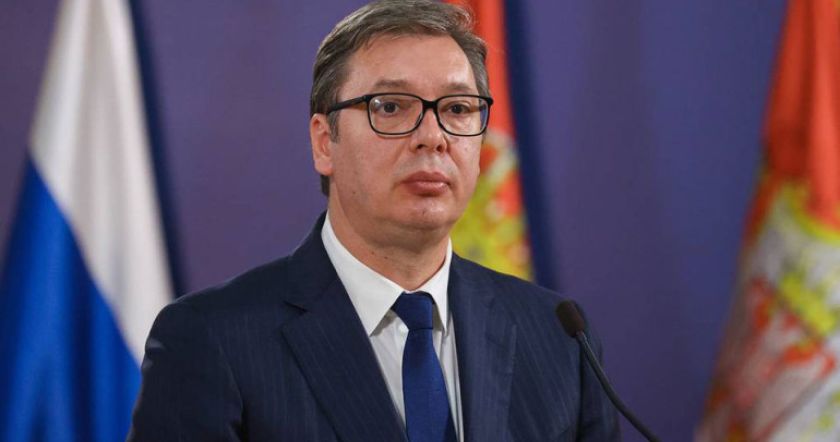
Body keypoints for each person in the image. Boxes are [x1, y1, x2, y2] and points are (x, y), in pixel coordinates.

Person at [128, 1, 619, 440]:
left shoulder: (559, 339)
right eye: (391, 107)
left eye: (457, 109)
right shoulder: (212, 340)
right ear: (325, 142)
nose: (433, 136)